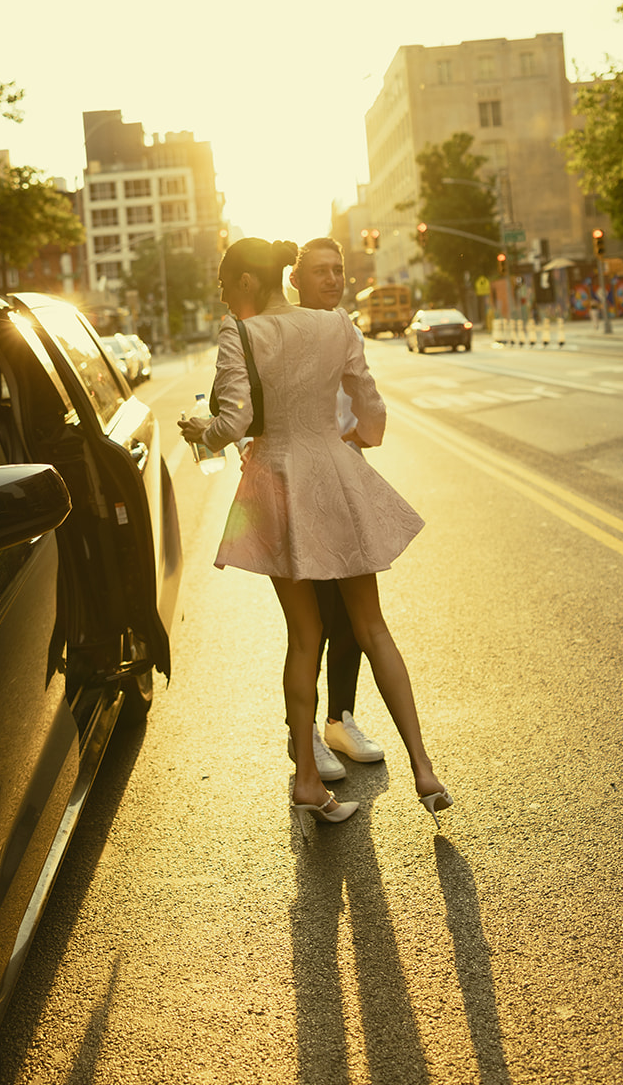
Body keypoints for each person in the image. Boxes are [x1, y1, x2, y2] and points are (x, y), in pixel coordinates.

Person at [179, 236, 451, 833]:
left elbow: (232, 423)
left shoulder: (240, 335)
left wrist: (198, 429)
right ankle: (424, 768)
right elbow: (370, 412)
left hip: (277, 482)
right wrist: (351, 443)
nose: (223, 297)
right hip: (336, 471)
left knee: (304, 638)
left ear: (247, 282)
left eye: (225, 286)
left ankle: (306, 776)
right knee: (373, 626)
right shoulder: (336, 326)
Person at [288, 236, 385, 780]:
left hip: (346, 481)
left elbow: (363, 394)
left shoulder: (345, 325)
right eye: (320, 271)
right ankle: (302, 739)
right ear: (295, 278)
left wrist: (365, 437)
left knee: (351, 614)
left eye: (338, 269)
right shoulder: (279, 329)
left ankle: (340, 719)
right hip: (298, 488)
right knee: (311, 622)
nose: (332, 279)